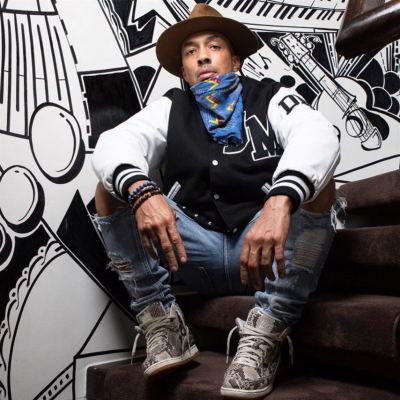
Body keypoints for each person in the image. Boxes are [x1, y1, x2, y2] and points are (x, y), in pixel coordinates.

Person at [92, 4, 340, 398]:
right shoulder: (171, 107)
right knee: (110, 189)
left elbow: (318, 132)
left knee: (321, 186)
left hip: (263, 253)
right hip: (191, 252)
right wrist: (142, 192)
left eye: (214, 46)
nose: (202, 57)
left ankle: (269, 327)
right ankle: (161, 319)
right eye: (191, 52)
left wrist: (281, 199)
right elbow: (116, 144)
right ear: (184, 70)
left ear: (235, 60)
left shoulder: (270, 96)